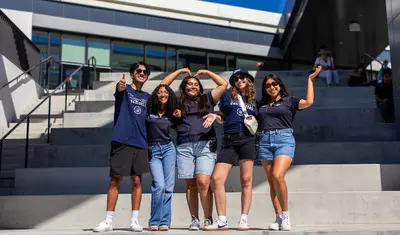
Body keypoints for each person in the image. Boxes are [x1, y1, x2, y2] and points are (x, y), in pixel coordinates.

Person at [160, 68, 228, 231]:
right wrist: (179, 71)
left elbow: (223, 84)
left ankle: (208, 218)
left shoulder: (207, 99)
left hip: (205, 144)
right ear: (183, 87)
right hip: (184, 146)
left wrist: (206, 72)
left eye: (196, 84)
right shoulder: (176, 101)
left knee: (203, 182)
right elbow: (162, 86)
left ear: (200, 87)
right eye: (189, 84)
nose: (192, 86)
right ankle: (194, 219)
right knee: (190, 184)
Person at [257, 66, 322, 231]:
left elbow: (309, 102)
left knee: (278, 176)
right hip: (264, 140)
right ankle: (278, 217)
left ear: (280, 85)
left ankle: (286, 216)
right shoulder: (261, 104)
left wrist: (310, 80)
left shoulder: (289, 100)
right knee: (272, 182)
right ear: (265, 89)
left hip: (284, 139)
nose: (272, 87)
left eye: (275, 84)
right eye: (268, 85)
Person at [94, 62, 151, 232]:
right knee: (115, 180)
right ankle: (108, 221)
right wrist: (120, 86)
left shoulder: (147, 97)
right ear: (132, 73)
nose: (142, 73)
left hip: (140, 143)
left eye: (145, 72)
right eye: (138, 71)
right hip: (122, 142)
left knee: (137, 181)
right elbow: (119, 90)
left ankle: (134, 220)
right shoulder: (124, 90)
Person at [204, 69, 257, 231]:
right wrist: (214, 117)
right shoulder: (227, 95)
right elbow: (222, 116)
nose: (240, 80)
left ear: (248, 79)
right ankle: (222, 220)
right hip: (230, 139)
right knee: (217, 178)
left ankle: (244, 219)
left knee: (246, 180)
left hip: (248, 140)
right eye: (236, 78)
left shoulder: (253, 100)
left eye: (243, 77)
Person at [146, 84, 180, 231]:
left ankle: (164, 221)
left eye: (166, 92)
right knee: (158, 185)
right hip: (153, 149)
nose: (163, 94)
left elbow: (181, 125)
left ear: (169, 95)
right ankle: (154, 220)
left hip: (168, 149)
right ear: (156, 96)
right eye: (160, 92)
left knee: (168, 187)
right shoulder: (149, 112)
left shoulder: (173, 113)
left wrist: (179, 115)